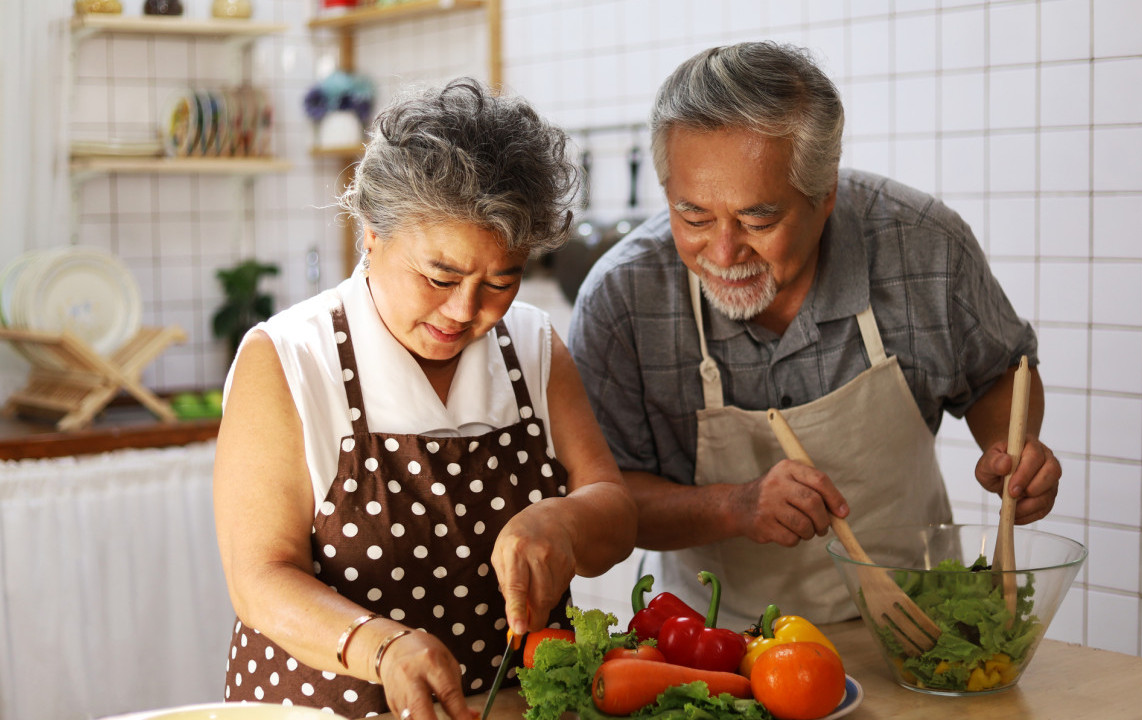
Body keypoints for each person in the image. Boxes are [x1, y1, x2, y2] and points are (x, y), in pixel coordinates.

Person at [567, 42, 1061, 631]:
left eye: (758, 219)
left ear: (825, 196)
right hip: (715, 645)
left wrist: (1013, 450)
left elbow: (999, 371)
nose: (723, 253)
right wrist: (736, 506)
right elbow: (608, 502)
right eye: (693, 216)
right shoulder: (622, 298)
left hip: (916, 627)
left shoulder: (922, 246)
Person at [213, 77, 637, 719]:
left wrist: (565, 521)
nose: (467, 311)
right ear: (372, 234)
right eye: (439, 276)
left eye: (501, 281)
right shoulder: (290, 359)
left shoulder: (533, 346)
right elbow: (260, 579)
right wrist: (380, 647)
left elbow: (617, 514)